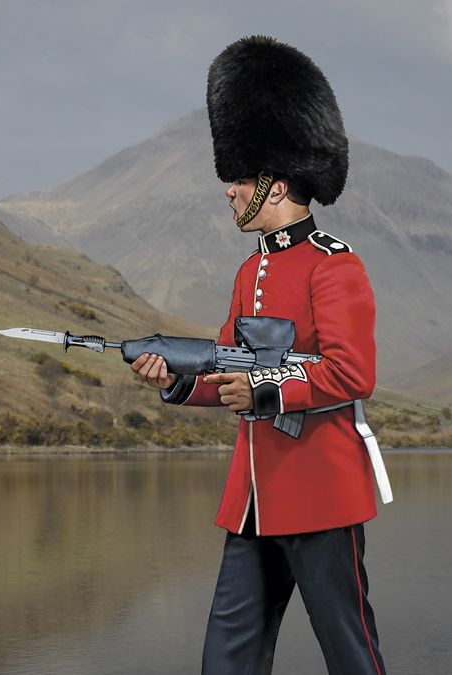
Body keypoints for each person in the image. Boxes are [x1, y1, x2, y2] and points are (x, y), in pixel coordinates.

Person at [130, 36, 388, 674]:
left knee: (351, 656)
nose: (228, 190)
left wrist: (270, 392)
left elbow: (353, 373)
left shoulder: (336, 267)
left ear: (275, 184)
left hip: (322, 495)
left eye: (239, 178)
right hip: (253, 497)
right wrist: (176, 383)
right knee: (227, 659)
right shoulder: (251, 274)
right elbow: (227, 367)